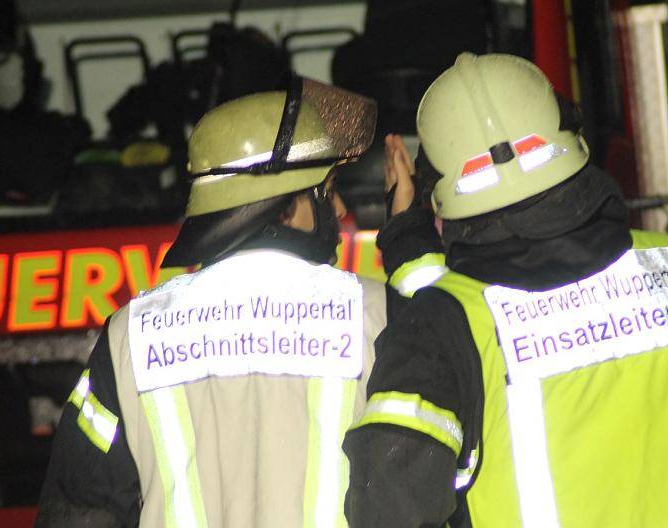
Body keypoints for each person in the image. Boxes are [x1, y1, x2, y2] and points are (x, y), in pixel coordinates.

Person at [343, 53, 668, 527]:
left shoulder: (446, 324)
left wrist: (409, 243)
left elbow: (388, 507)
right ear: (570, 138)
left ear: (441, 193)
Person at [35, 76, 436, 527]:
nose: (340, 209)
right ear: (286, 207)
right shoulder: (378, 314)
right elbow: (433, 465)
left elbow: (77, 509)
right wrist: (412, 239)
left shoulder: (129, 335)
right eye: (327, 190)